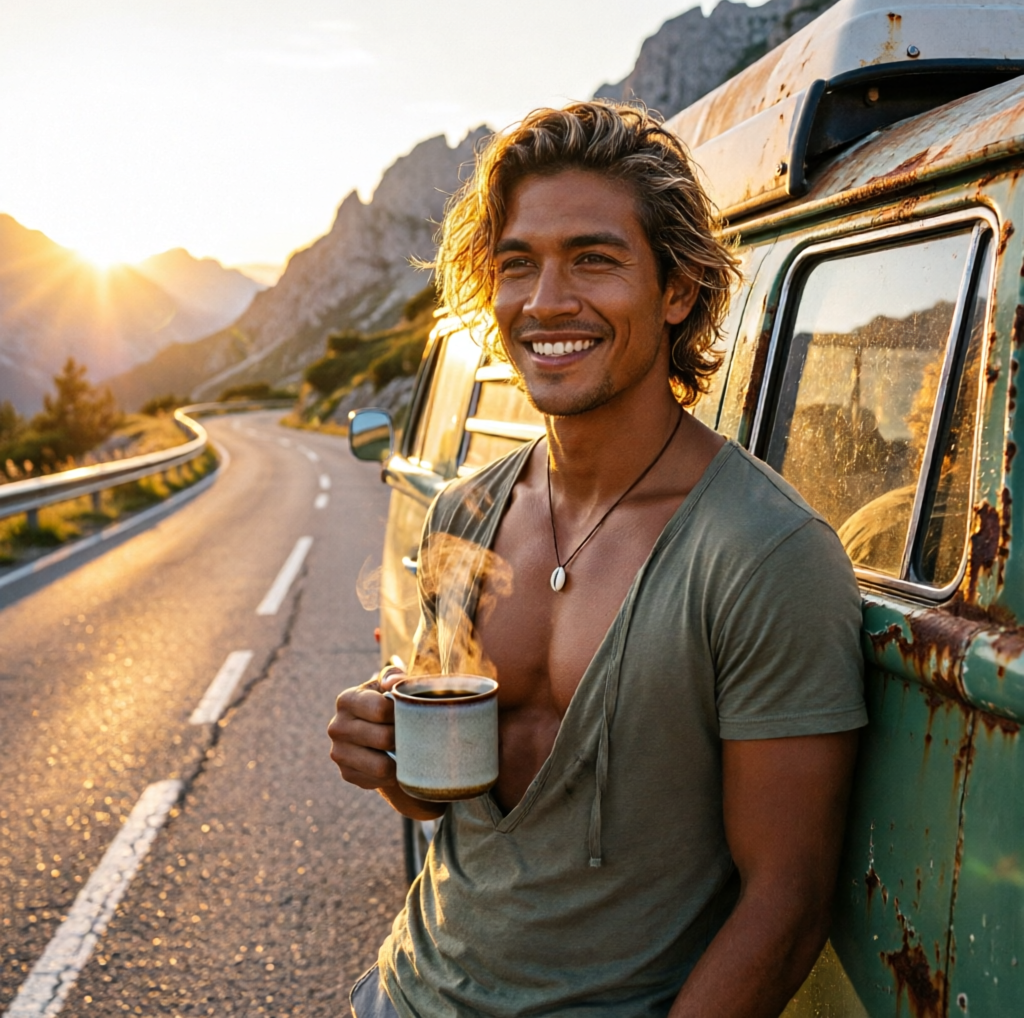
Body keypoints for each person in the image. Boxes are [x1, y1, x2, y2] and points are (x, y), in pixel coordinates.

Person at [329, 101, 866, 1018]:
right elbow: (440, 804)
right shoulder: (466, 513)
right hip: (404, 993)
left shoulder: (765, 555)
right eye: (516, 264)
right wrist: (386, 758)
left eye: (594, 258)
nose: (545, 303)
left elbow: (786, 902)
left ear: (677, 290)